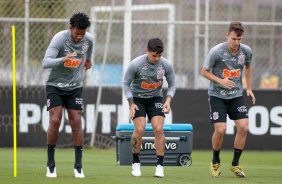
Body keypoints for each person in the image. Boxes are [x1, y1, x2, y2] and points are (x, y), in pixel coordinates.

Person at [201, 22, 256, 178]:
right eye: (233, 39)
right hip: (217, 95)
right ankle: (215, 161)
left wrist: (249, 88)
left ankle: (235, 165)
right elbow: (204, 72)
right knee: (220, 130)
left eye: (239, 39)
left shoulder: (246, 51)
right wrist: (220, 81)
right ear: (227, 36)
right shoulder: (216, 52)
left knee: (244, 127)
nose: (236, 43)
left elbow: (248, 68)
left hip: (236, 95)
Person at [42, 12, 94, 178]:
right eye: (76, 33)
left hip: (75, 87)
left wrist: (88, 60)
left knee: (76, 121)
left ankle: (78, 166)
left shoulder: (88, 39)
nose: (79, 37)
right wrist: (63, 59)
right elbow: (46, 62)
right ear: (70, 28)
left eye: (82, 34)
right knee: (56, 120)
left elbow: (89, 50)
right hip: (55, 86)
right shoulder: (59, 38)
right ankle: (51, 164)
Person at [123, 38, 176, 178]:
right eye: (154, 55)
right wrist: (131, 103)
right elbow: (126, 84)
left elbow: (172, 84)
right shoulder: (136, 64)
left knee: (158, 129)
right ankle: (135, 162)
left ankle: (159, 165)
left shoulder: (166, 65)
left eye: (159, 55)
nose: (157, 58)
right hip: (138, 99)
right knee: (139, 129)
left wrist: (168, 100)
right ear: (147, 51)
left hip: (155, 99)